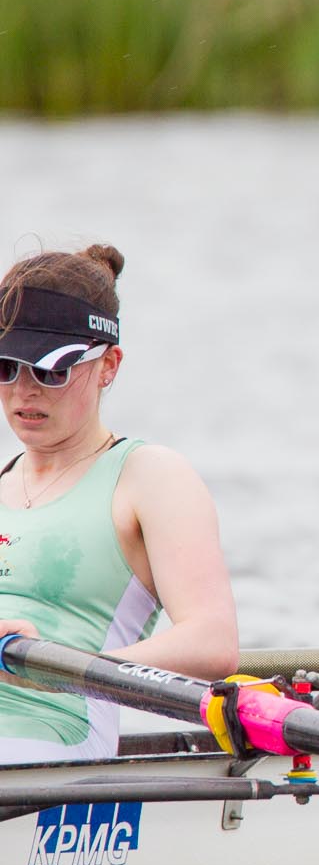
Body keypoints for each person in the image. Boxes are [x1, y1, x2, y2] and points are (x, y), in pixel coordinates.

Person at [0, 245, 238, 762]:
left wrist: (60, 668)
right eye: (5, 367)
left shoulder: (150, 477)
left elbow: (213, 643)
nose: (23, 392)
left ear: (108, 365)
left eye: (51, 372)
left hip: (55, 734)